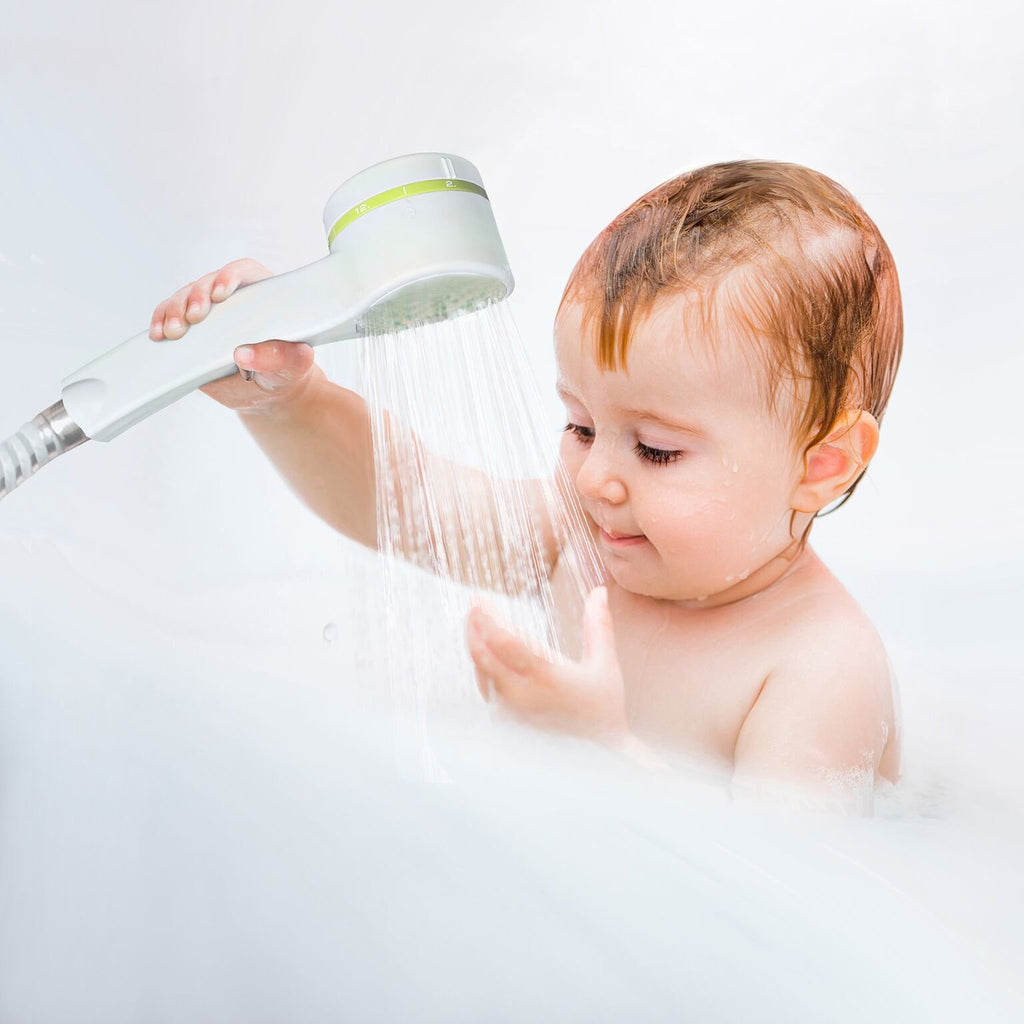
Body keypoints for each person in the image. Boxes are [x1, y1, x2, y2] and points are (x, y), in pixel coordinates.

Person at [149, 159, 903, 813]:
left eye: (656, 450)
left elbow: (783, 900)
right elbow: (409, 505)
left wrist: (605, 750)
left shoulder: (821, 667)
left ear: (821, 464)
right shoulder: (583, 542)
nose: (596, 475)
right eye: (578, 426)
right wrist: (288, 402)